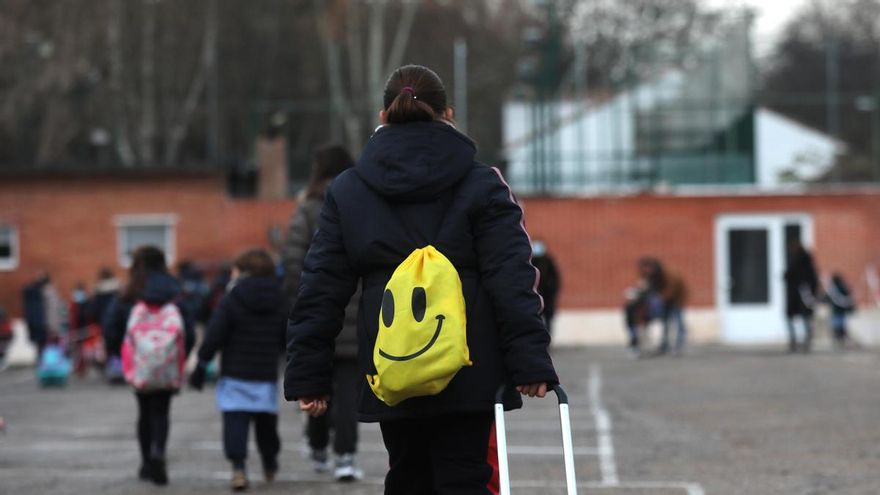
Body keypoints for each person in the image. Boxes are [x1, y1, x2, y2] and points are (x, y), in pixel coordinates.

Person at [284, 64, 559, 495]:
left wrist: (308, 374)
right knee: (466, 476)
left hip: (392, 356)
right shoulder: (483, 184)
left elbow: (320, 286)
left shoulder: (350, 190)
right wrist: (530, 359)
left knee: (407, 473)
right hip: (467, 358)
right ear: (448, 113)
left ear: (382, 116)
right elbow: (512, 275)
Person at [282, 144, 363, 481]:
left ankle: (318, 446)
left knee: (316, 383)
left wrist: (298, 306)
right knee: (347, 393)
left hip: (318, 310)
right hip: (358, 315)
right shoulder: (362, 205)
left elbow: (292, 262)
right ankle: (345, 457)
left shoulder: (308, 209)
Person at [189, 249, 286, 491]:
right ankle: (270, 462)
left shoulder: (232, 298)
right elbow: (288, 335)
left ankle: (239, 467)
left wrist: (202, 363)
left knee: (235, 420)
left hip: (235, 371)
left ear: (243, 271)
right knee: (266, 423)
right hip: (265, 372)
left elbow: (214, 333)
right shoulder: (281, 298)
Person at [103, 246, 195, 485]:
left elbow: (111, 328)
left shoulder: (130, 290)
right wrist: (181, 356)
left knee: (143, 411)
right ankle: (158, 452)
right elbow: (189, 330)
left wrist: (121, 355)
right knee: (162, 410)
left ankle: (146, 463)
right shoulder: (175, 289)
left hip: (139, 362)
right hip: (168, 362)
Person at [784, 241, 819, 353]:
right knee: (805, 318)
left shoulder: (794, 261)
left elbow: (788, 275)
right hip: (804, 294)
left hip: (797, 294)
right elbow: (814, 279)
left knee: (793, 318)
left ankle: (794, 341)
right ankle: (806, 341)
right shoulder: (808, 262)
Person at [531, 240, 561, 335]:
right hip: (534, 296)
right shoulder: (529, 262)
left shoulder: (548, 262)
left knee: (548, 318)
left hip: (547, 296)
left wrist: (551, 291)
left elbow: (555, 279)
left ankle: (547, 338)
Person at [825, 272, 855, 348]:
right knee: (841, 327)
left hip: (836, 311)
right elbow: (848, 295)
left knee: (837, 327)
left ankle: (838, 340)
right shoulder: (842, 287)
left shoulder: (832, 289)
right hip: (840, 311)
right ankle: (841, 340)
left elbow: (827, 298)